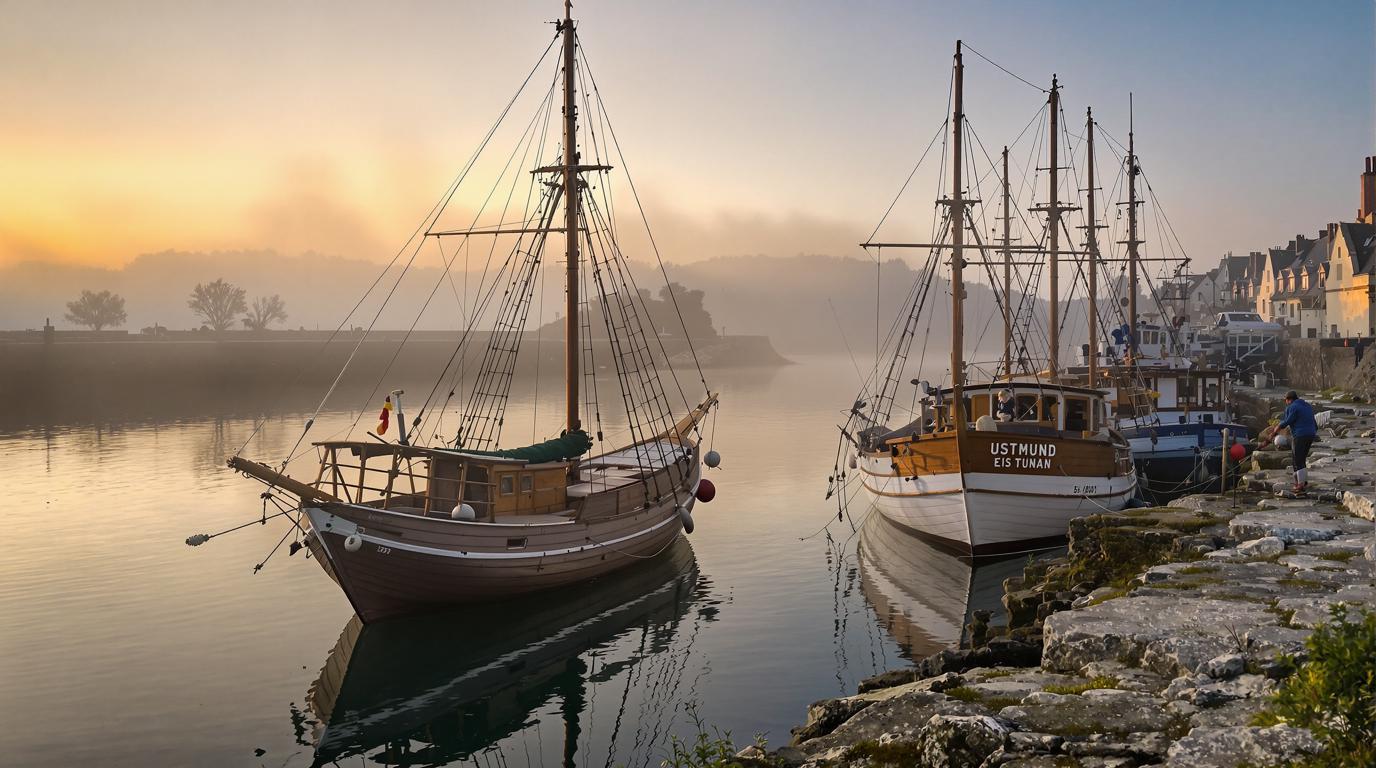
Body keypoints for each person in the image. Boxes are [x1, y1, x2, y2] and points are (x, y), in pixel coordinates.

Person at [1259, 390, 1318, 493]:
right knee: (1302, 458)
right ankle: (1302, 482)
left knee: (1297, 459)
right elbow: (1314, 423)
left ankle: (1300, 484)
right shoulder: (1307, 406)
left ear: (1289, 400)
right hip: (1311, 434)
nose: (1285, 402)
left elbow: (1286, 422)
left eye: (1285, 400)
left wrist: (1273, 433)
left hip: (1300, 435)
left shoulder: (1292, 407)